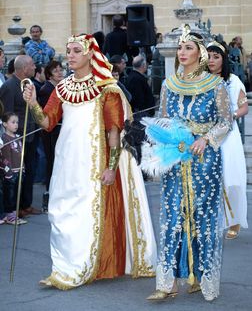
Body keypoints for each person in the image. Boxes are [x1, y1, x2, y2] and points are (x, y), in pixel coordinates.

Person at [23, 34, 156, 290]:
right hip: (66, 160)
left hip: (93, 161)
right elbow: (48, 123)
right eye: (68, 50)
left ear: (88, 55)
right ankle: (64, 266)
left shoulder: (107, 88)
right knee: (63, 209)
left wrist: (111, 167)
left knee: (86, 210)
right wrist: (32, 104)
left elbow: (114, 131)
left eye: (75, 51)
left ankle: (79, 267)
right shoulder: (62, 87)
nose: (69, 55)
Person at [145, 24, 232, 302]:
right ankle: (168, 282)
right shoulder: (168, 84)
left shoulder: (216, 84)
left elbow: (226, 121)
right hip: (175, 156)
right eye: (180, 48)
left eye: (188, 48)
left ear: (201, 53)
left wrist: (205, 139)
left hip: (204, 158)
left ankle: (202, 278)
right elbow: (162, 119)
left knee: (203, 216)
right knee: (172, 215)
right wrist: (160, 151)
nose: (182, 52)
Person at [207, 40, 249, 239]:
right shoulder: (202, 80)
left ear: (224, 59)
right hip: (207, 134)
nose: (212, 60)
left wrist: (229, 115)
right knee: (210, 179)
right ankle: (213, 221)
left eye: (216, 57)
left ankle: (234, 220)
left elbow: (244, 107)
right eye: (209, 56)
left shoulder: (232, 80)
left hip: (228, 135)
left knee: (230, 178)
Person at [0, 55, 41, 217]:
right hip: (17, 138)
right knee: (16, 174)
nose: (34, 67)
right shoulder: (9, 87)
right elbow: (6, 114)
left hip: (30, 135)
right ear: (24, 68)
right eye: (32, 65)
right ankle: (15, 208)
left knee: (29, 170)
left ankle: (26, 204)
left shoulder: (29, 84)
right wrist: (11, 138)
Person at [38, 60, 64, 212]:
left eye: (61, 69)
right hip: (50, 132)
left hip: (60, 130)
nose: (60, 73)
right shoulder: (46, 89)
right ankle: (48, 195)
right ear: (49, 74)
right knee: (52, 162)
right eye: (56, 71)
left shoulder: (60, 87)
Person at [0, 112, 27, 225]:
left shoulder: (18, 137)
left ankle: (14, 214)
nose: (16, 125)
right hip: (9, 173)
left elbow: (21, 154)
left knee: (17, 193)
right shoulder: (4, 139)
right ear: (5, 124)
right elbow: (4, 158)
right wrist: (8, 172)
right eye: (13, 122)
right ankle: (9, 215)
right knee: (9, 194)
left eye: (17, 122)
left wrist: (23, 167)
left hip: (19, 170)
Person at [125, 55, 155, 120]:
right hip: (141, 113)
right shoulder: (136, 78)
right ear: (143, 65)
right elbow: (138, 98)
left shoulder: (133, 76)